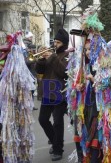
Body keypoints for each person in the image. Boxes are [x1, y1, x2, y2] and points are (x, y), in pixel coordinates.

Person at [35, 28, 69, 161]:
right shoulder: (52, 55)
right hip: (48, 92)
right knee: (43, 120)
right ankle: (55, 141)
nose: (55, 44)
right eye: (55, 41)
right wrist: (41, 59)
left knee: (57, 123)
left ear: (64, 43)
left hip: (59, 93)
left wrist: (52, 57)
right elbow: (39, 70)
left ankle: (58, 149)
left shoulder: (67, 55)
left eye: (58, 42)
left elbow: (63, 72)